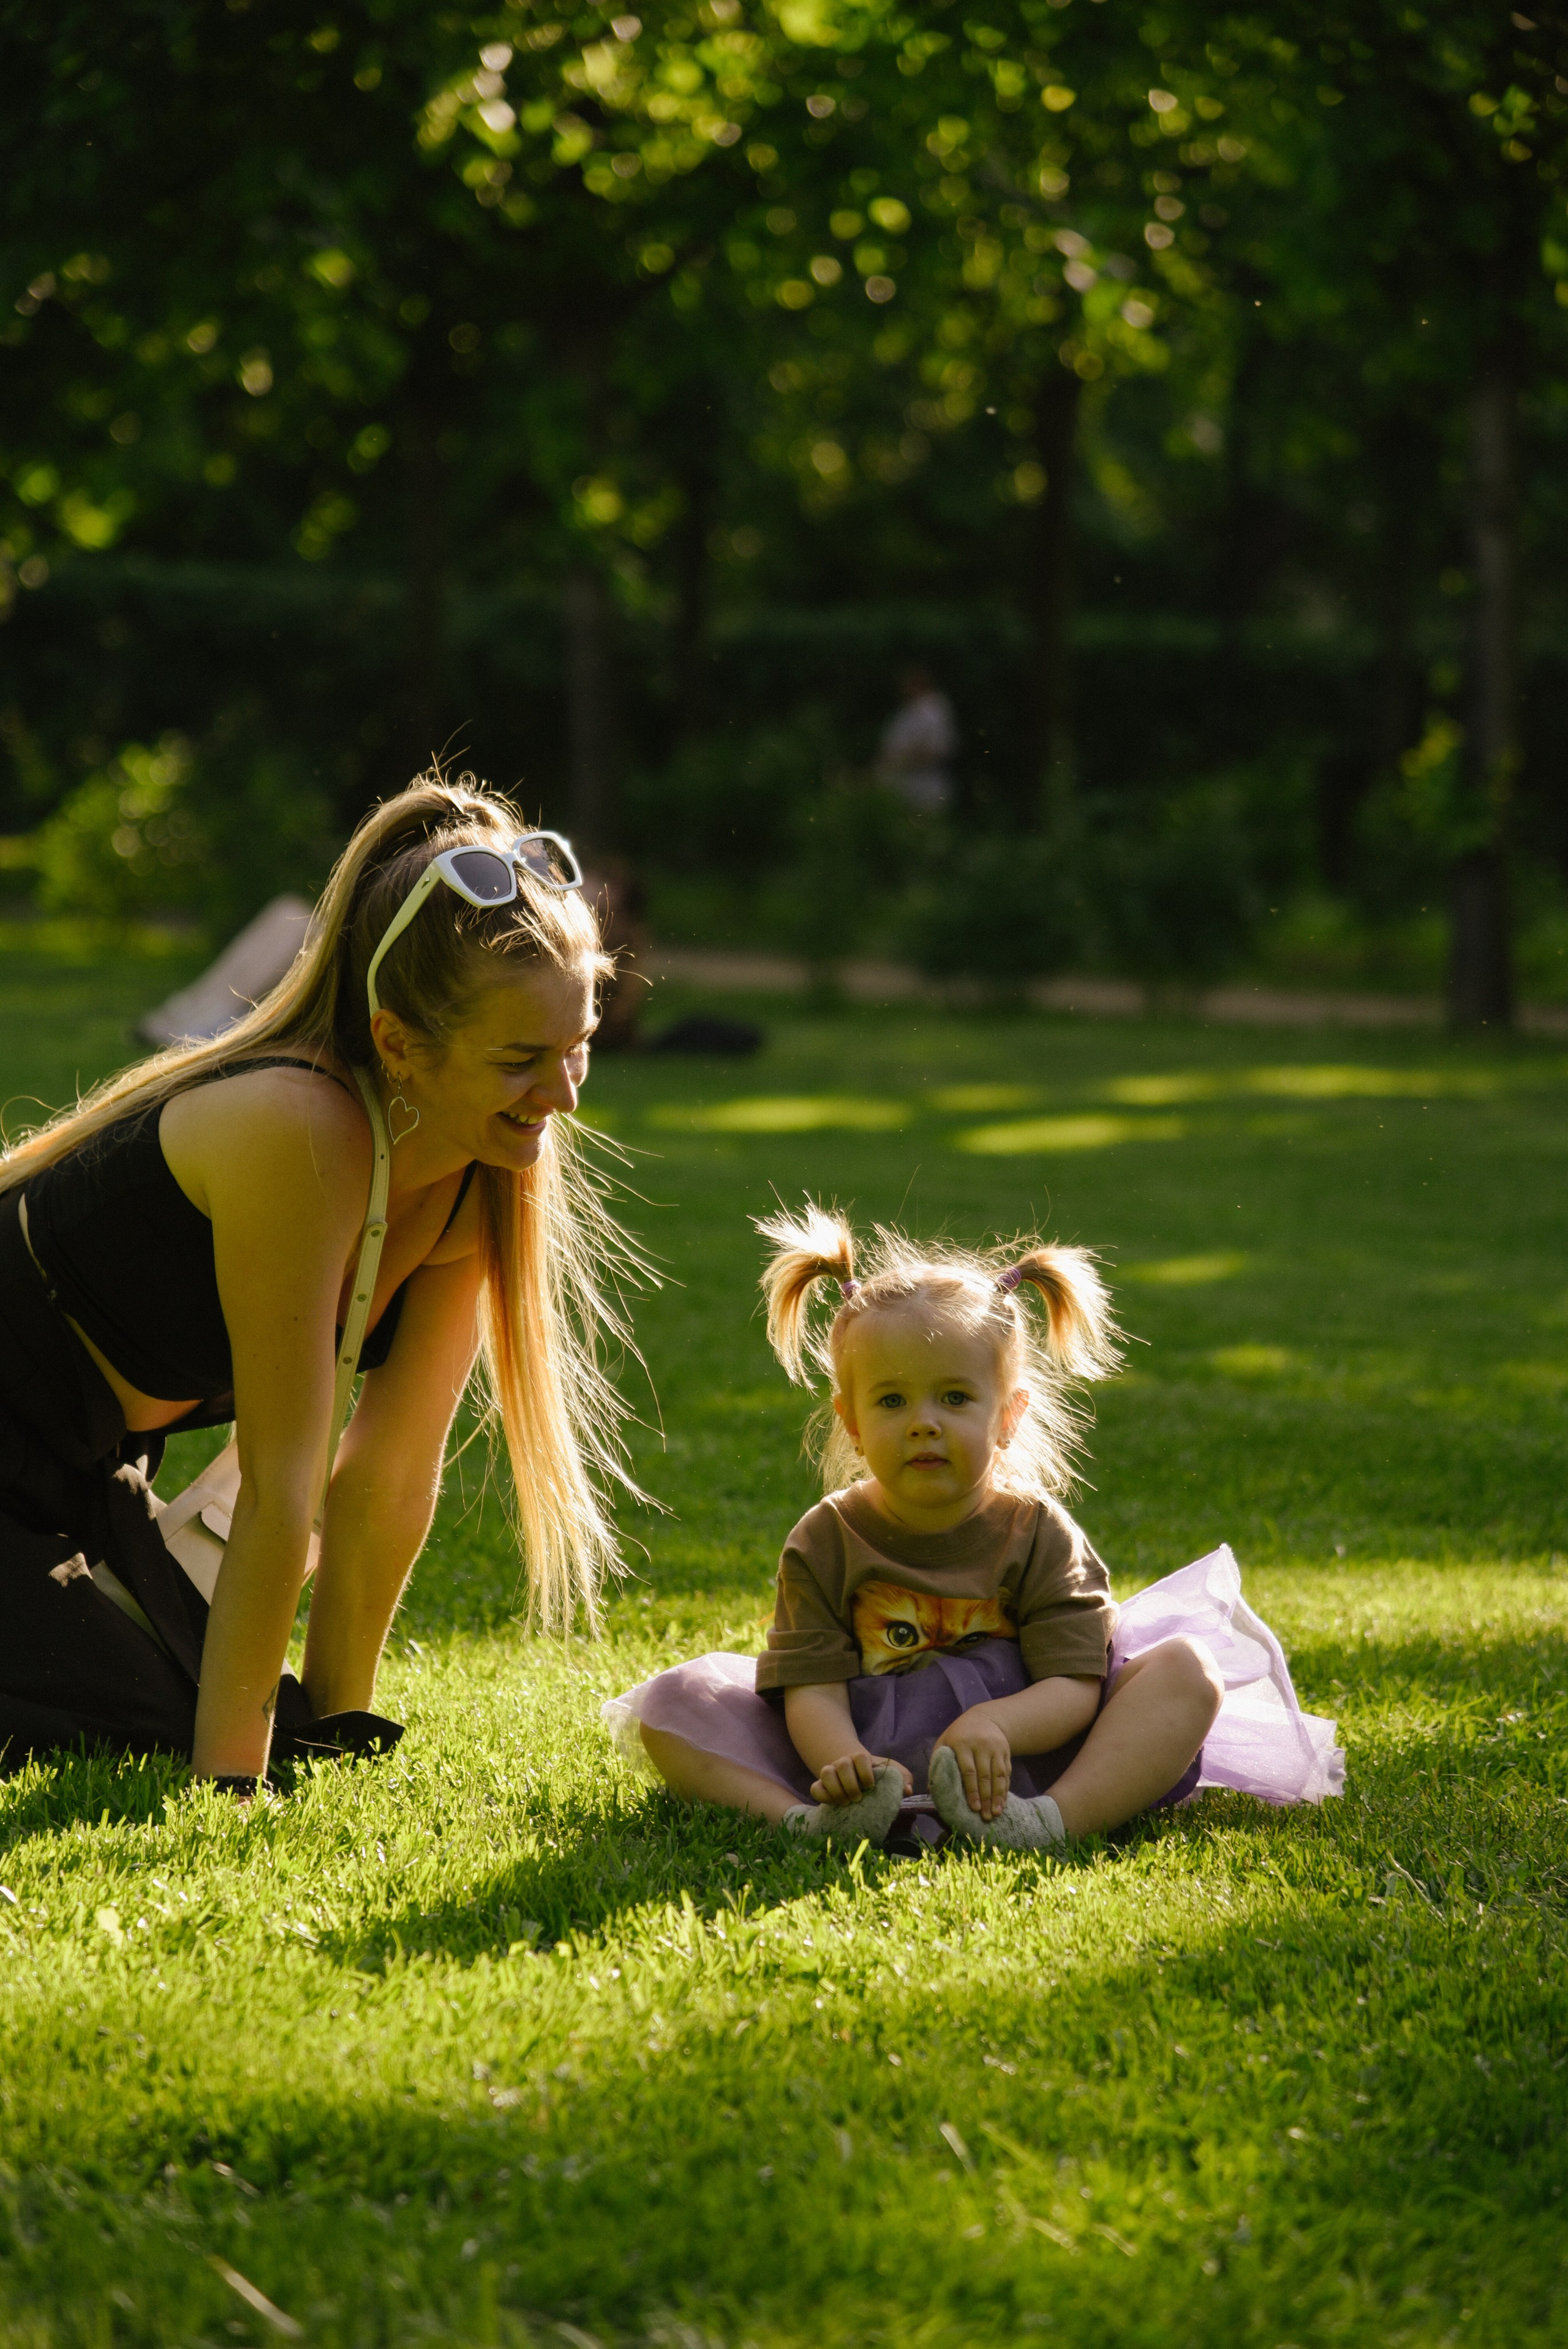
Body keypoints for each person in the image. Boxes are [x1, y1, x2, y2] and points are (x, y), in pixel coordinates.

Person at [0, 776, 643, 1791]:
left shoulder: (480, 1174)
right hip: (27, 1457)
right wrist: (232, 1785)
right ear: (399, 1043)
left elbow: (386, 1478)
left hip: (80, 1479)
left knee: (200, 1699)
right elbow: (283, 1489)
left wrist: (335, 1726)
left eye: (580, 1050)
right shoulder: (301, 1131)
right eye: (524, 1059)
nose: (561, 1096)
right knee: (138, 1719)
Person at [606, 1208, 1343, 1849]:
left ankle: (1050, 1822)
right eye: (891, 1401)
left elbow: (1074, 1684)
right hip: (869, 1757)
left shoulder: (1037, 1532)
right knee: (675, 1701)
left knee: (1188, 1670)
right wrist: (845, 1763)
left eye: (954, 1397)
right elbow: (814, 1688)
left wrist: (999, 1724)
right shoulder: (825, 1536)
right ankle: (808, 1821)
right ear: (852, 1424)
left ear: (1007, 1416)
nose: (923, 1421)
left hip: (1024, 1756)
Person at [875, 666, 957, 817]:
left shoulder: (933, 710)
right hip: (903, 786)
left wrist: (899, 763)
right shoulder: (909, 711)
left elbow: (934, 751)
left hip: (925, 787)